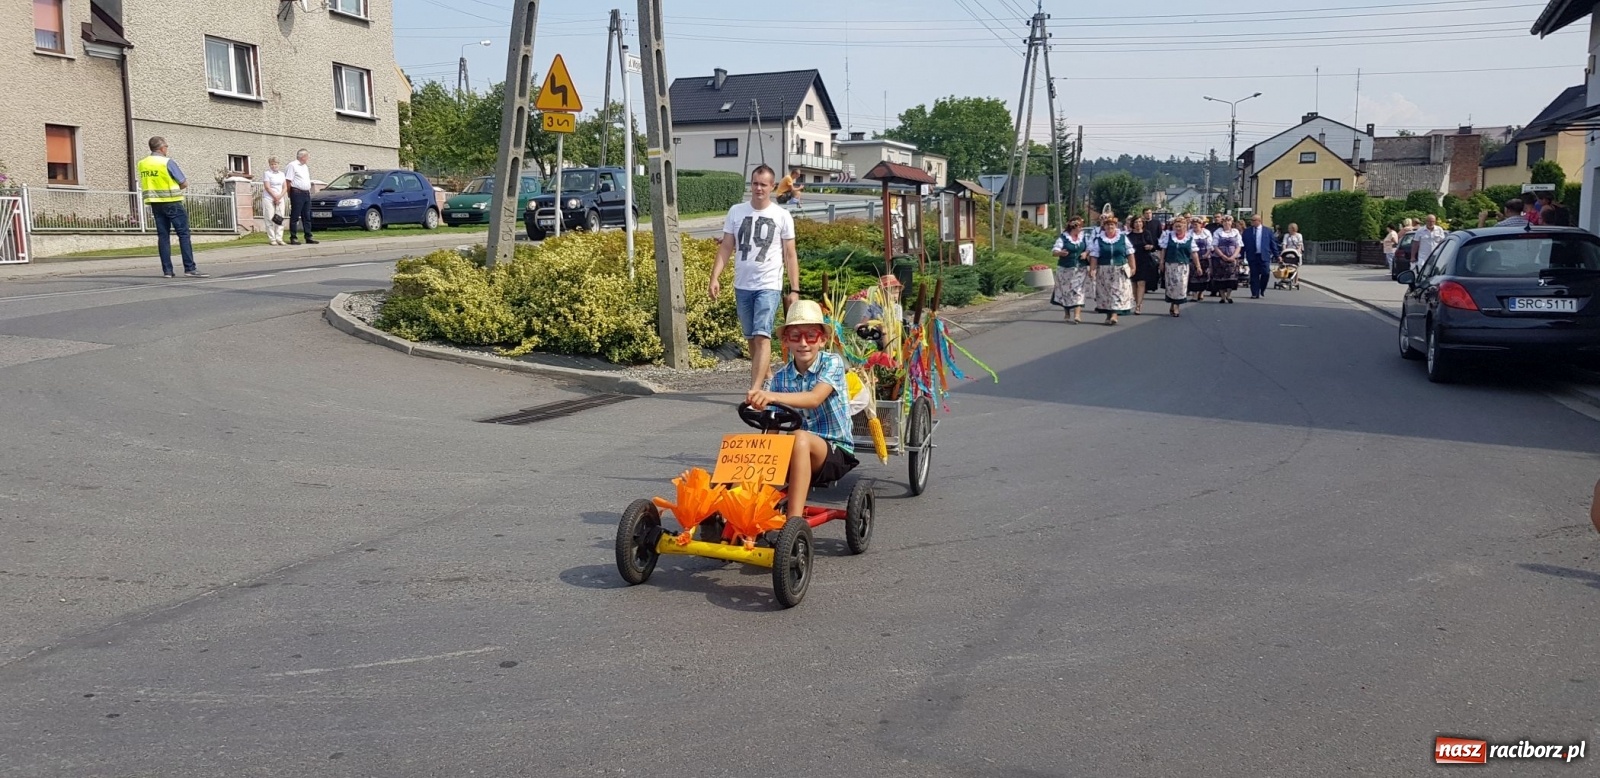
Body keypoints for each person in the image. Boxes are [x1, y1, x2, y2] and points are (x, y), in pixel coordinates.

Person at [745, 300, 857, 526]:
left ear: (822, 340)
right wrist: (757, 462)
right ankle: (740, 513)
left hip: (834, 452)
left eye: (811, 336)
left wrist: (772, 396)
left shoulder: (833, 363)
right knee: (750, 450)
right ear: (786, 341)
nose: (803, 343)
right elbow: (774, 427)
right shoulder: (780, 378)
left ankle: (793, 522)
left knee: (797, 436)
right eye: (795, 336)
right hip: (797, 451)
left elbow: (814, 399)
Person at [710, 164, 802, 393]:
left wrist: (795, 289)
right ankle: (768, 375)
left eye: (763, 184)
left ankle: (755, 389)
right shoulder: (736, 211)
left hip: (768, 284)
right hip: (742, 284)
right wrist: (715, 277)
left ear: (773, 187)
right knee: (751, 338)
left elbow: (790, 254)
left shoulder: (782, 215)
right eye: (755, 183)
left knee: (762, 336)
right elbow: (726, 247)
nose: (758, 188)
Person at [136, 136, 208, 278]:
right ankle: (189, 268)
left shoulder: (142, 163)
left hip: (155, 203)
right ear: (162, 148)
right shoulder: (167, 162)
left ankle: (167, 271)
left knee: (163, 236)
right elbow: (184, 182)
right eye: (166, 147)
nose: (167, 149)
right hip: (172, 201)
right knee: (183, 234)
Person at [1088, 215, 1135, 325]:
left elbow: (1130, 253)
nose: (1110, 227)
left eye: (1112, 225)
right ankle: (1108, 314)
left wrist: (1133, 267)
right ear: (1104, 227)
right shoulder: (1099, 239)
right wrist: (1092, 269)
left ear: (1116, 226)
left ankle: (1114, 314)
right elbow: (1094, 255)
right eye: (1108, 225)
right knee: (1106, 293)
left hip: (1119, 269)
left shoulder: (1122, 238)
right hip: (1104, 270)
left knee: (1118, 292)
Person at [1050, 217, 1091, 324]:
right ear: (1073, 227)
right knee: (1066, 291)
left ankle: (1077, 315)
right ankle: (1067, 312)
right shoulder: (1063, 238)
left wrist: (1086, 253)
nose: (1081, 229)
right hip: (1065, 269)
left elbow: (1090, 248)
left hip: (1080, 269)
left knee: (1078, 291)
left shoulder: (1084, 238)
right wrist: (1060, 253)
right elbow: (1054, 251)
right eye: (1079, 227)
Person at [1159, 216, 1199, 318]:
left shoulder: (1189, 238)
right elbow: (1163, 249)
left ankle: (1176, 306)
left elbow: (1194, 253)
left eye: (1180, 226)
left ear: (1185, 227)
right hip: (1170, 265)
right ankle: (1173, 303)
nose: (1178, 228)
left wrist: (1198, 266)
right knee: (1171, 286)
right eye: (1176, 226)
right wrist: (1161, 262)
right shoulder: (1169, 236)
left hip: (1183, 266)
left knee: (1180, 286)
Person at [1208, 214, 1243, 304]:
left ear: (1231, 222)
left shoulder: (1235, 232)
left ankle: (1229, 295)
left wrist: (1233, 256)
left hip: (1233, 257)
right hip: (1219, 258)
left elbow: (1239, 245)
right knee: (1220, 278)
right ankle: (1222, 296)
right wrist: (1223, 256)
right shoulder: (1218, 232)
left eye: (1228, 221)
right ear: (1222, 223)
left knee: (1231, 278)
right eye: (1225, 221)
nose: (1227, 223)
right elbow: (1215, 245)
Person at [1130, 215, 1161, 314]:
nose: (1138, 224)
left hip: (1144, 260)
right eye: (1136, 222)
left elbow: (1153, 246)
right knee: (1134, 283)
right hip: (1133, 260)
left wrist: (1150, 246)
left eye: (1140, 222)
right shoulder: (1129, 236)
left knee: (1141, 283)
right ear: (1132, 224)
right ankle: (1136, 301)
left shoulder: (1146, 233)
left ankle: (1139, 305)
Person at [285, 148, 317, 245]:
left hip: (306, 193)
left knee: (306, 216)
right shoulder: (292, 165)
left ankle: (308, 236)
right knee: (295, 216)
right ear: (302, 157)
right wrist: (290, 194)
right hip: (297, 192)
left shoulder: (305, 167)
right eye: (307, 156)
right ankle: (293, 237)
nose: (308, 158)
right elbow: (288, 181)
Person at [1243, 214, 1278, 298]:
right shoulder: (1247, 231)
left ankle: (1262, 288)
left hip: (1264, 256)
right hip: (1252, 256)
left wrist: (1277, 255)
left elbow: (1273, 244)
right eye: (1251, 220)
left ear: (1259, 221)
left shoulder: (1268, 231)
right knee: (1254, 275)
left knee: (1266, 273)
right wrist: (1240, 256)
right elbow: (1243, 244)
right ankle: (1255, 293)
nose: (1252, 222)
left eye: (1253, 220)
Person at [260, 157, 287, 246]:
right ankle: (272, 238)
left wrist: (279, 197)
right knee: (269, 217)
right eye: (272, 164)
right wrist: (275, 197)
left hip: (280, 198)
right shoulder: (267, 173)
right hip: (269, 198)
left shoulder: (282, 174)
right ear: (269, 165)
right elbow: (267, 187)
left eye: (275, 164)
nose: (274, 166)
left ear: (278, 164)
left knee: (279, 218)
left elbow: (285, 187)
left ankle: (279, 238)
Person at [1188, 217, 1213, 302]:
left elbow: (1210, 244)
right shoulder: (1189, 233)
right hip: (1193, 257)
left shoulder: (1206, 232)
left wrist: (1207, 254)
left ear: (1201, 225)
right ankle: (1194, 294)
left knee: (1204, 275)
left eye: (1196, 224)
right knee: (1193, 276)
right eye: (1193, 224)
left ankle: (1201, 293)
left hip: (1204, 256)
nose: (1194, 226)